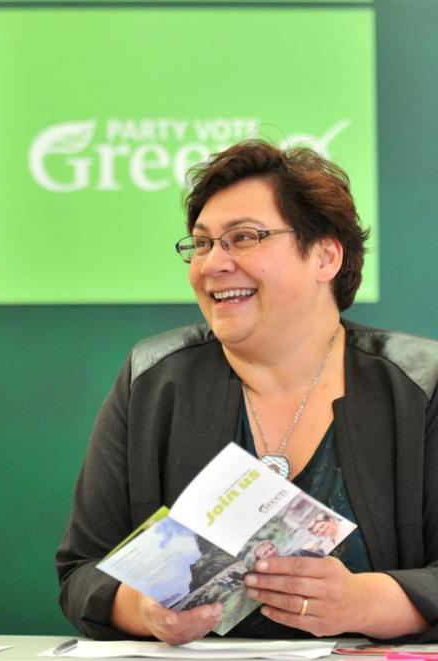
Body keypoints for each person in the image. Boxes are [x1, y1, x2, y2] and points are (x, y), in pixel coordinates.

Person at [56, 140, 438, 645]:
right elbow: (83, 571)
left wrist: (363, 602)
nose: (212, 263)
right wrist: (145, 610)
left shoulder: (421, 382)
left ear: (324, 255)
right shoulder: (153, 379)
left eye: (243, 238)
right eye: (202, 243)